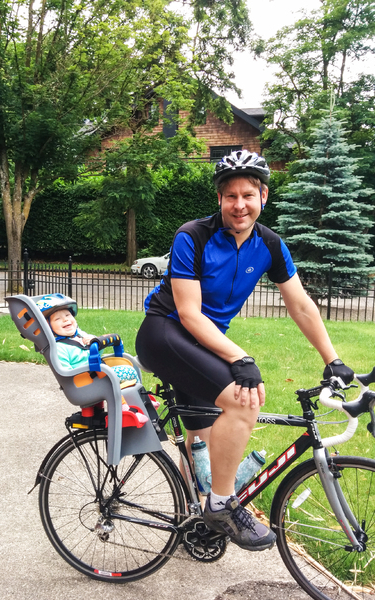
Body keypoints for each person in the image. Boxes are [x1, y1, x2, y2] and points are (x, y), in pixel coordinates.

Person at [135, 149, 354, 552]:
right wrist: (241, 357)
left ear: (263, 196)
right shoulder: (192, 236)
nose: (240, 205)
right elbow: (189, 313)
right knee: (244, 399)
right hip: (165, 334)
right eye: (231, 196)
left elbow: (301, 305)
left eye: (248, 195)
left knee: (200, 441)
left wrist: (333, 359)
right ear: (219, 198)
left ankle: (192, 522)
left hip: (204, 342)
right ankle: (222, 506)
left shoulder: (269, 244)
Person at [36, 293, 148, 424]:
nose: (65, 320)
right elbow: (65, 372)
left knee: (129, 366)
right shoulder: (60, 347)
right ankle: (124, 410)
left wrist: (93, 341)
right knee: (118, 375)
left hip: (95, 375)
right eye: (58, 319)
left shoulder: (79, 336)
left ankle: (143, 400)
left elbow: (97, 351)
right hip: (84, 382)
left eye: (68, 315)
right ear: (48, 326)